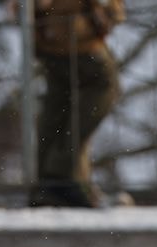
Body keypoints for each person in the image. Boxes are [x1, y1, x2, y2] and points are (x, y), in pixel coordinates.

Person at [24, 0, 124, 208]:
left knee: (59, 107)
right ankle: (62, 175)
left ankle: (47, 182)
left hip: (49, 40)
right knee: (99, 94)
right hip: (77, 37)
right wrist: (110, 12)